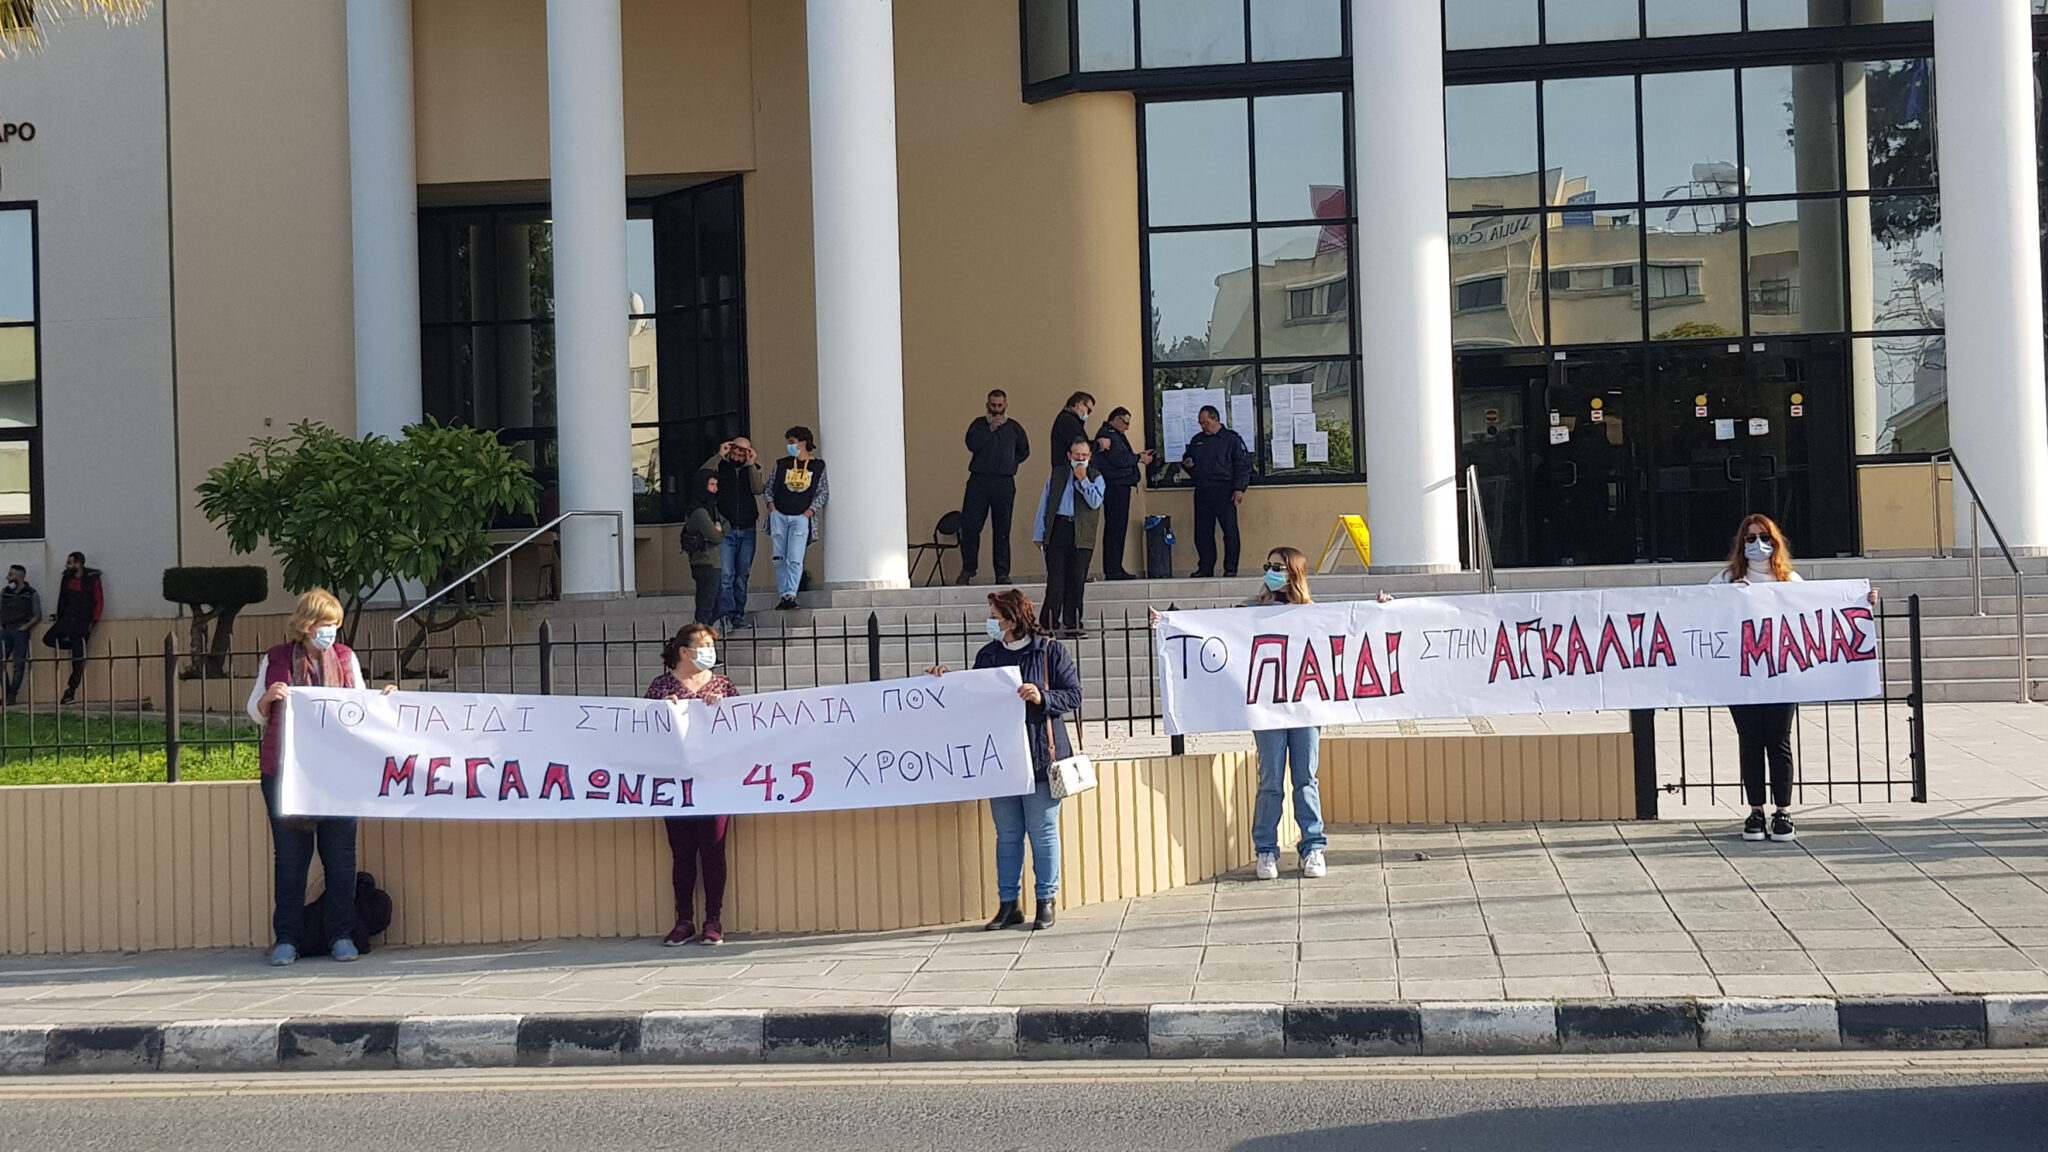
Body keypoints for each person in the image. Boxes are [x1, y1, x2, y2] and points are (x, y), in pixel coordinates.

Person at [247, 589, 395, 966]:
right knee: (290, 860)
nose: (331, 631)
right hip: (286, 774)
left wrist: (385, 700)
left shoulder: (345, 658)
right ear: (307, 625)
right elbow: (255, 712)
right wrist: (269, 697)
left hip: (337, 774)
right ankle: (288, 939)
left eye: (335, 625)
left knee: (340, 857)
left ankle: (341, 935)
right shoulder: (276, 659)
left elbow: (360, 706)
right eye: (326, 624)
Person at [1710, 513, 1876, 845]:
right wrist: (1729, 598)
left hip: (1782, 676)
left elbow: (1822, 610)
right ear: (1742, 544)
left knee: (1778, 741)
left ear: (1775, 542)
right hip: (1741, 678)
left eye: (1764, 538)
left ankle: (1782, 811)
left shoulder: (1789, 581)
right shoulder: (1726, 580)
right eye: (1751, 538)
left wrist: (1863, 601)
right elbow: (1701, 611)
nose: (1758, 544)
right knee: (1750, 742)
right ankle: (1755, 811)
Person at [925, 589, 1080, 932]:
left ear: (1012, 620)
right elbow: (972, 697)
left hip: (1040, 757)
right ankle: (1009, 904)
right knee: (1007, 834)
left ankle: (1045, 900)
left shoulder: (1049, 651)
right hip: (1001, 759)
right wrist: (944, 680)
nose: (990, 622)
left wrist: (1042, 697)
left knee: (1042, 831)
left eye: (994, 617)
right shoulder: (989, 655)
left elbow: (1074, 695)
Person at [645, 622, 737, 946]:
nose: (710, 652)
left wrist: (721, 707)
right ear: (684, 652)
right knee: (682, 852)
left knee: (714, 850)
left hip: (715, 782)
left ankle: (713, 919)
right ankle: (684, 919)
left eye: (712, 646)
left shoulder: (723, 685)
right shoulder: (661, 687)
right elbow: (643, 734)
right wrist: (662, 711)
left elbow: (742, 730)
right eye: (703, 646)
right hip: (676, 786)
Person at [956, 389, 1031, 586]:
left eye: (1000, 405)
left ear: (1005, 405)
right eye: (993, 405)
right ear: (987, 405)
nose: (997, 410)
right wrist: (990, 429)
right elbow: (971, 444)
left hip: (1004, 482)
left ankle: (1002, 573)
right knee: (970, 526)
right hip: (979, 481)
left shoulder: (1014, 428)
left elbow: (1024, 450)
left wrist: (1011, 463)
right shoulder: (978, 425)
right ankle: (968, 569)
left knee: (1003, 529)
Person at [1033, 438, 1105, 637]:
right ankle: (1048, 624)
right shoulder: (1057, 475)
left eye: (1084, 455)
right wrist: (1039, 533)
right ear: (1069, 456)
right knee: (1056, 580)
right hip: (1058, 528)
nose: (1080, 459)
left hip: (1082, 533)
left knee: (1076, 580)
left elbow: (1095, 502)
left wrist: (1083, 480)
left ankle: (1073, 624)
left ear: (1090, 457)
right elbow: (1045, 504)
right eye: (1076, 455)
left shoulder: (1096, 477)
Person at [1179, 406, 1252, 578]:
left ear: (1216, 419)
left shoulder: (1231, 439)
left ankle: (1230, 568)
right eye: (1200, 423)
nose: (1203, 426)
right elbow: (1188, 459)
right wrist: (1188, 464)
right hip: (1203, 488)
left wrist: (1239, 488)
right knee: (1202, 531)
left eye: (1206, 422)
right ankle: (1205, 567)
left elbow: (1243, 465)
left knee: (1230, 531)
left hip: (1225, 488)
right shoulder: (1197, 440)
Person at [702, 438, 765, 629]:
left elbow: (758, 489)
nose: (737, 456)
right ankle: (726, 615)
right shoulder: (720, 467)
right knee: (726, 574)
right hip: (727, 530)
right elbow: (702, 477)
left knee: (742, 575)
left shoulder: (752, 469)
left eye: (742, 453)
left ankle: (738, 615)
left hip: (747, 529)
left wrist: (751, 464)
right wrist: (719, 455)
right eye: (735, 452)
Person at [766, 426, 828, 611]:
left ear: (803, 443)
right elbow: (769, 487)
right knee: (779, 557)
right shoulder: (782, 464)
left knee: (795, 558)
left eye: (792, 442)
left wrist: (810, 511)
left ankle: (791, 594)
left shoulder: (818, 466)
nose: (789, 446)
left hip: (801, 516)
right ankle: (783, 594)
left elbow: (823, 491)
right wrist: (772, 507)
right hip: (779, 514)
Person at [1094, 407, 1151, 581]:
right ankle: (1113, 569)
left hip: (1120, 484)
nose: (1127, 427)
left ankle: (1115, 567)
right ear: (1116, 419)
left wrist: (1137, 456)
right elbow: (1119, 459)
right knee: (1115, 528)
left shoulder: (1115, 434)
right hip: (1115, 485)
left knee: (1118, 528)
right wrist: (1139, 458)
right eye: (1125, 423)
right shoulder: (1109, 434)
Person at [46, 552, 102, 705]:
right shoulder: (67, 578)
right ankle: (73, 645)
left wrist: (93, 621)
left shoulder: (92, 579)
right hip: (67, 620)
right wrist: (59, 616)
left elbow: (99, 600)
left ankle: (71, 690)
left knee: (77, 660)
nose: (67, 566)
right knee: (48, 639)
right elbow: (62, 599)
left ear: (79, 564)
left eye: (70, 563)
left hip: (82, 623)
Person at [681, 469, 728, 628]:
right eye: (712, 484)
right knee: (706, 606)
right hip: (705, 563)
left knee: (717, 607)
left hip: (712, 562)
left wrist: (719, 528)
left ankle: (704, 632)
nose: (715, 489)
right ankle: (700, 634)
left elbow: (725, 524)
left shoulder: (710, 508)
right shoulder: (699, 512)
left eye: (716, 484)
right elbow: (716, 537)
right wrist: (718, 530)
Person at [0, 565, 41, 705]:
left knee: (19, 664)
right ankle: (7, 692)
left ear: (19, 577)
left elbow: (37, 615)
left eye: (11, 574)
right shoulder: (5, 592)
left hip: (21, 631)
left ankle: (12, 694)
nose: (8, 577)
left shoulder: (31, 593)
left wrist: (25, 627)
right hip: (6, 630)